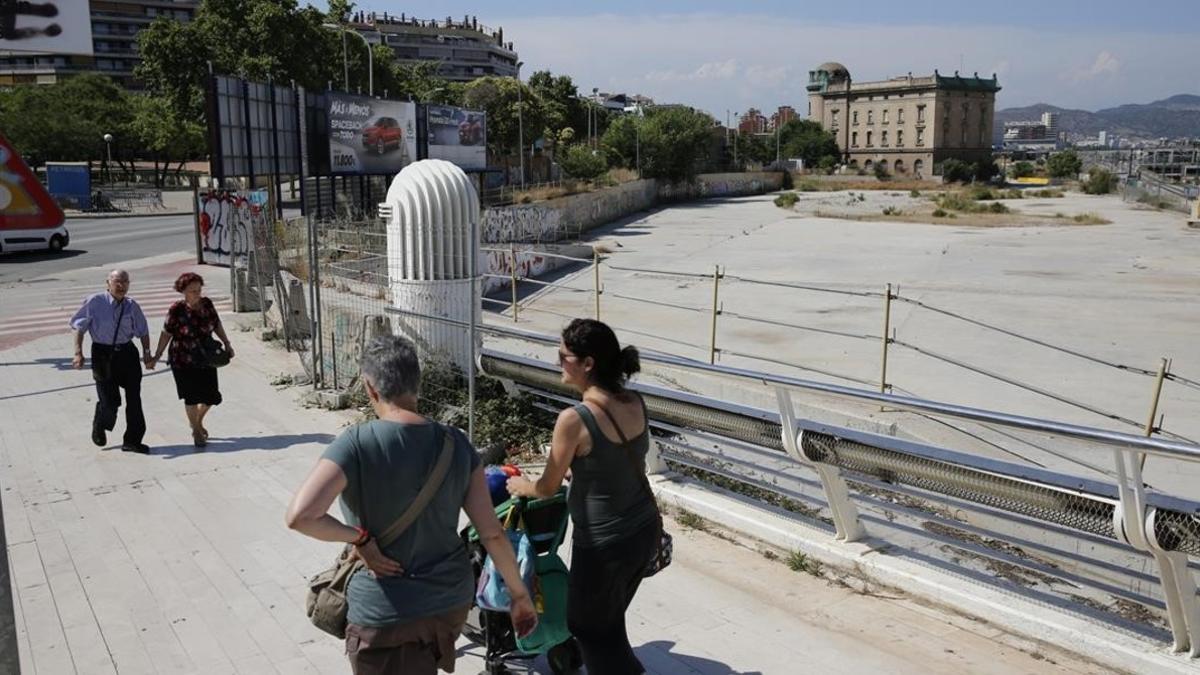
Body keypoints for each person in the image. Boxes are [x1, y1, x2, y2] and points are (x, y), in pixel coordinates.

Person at [285, 336, 537, 674]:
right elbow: (492, 533)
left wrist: (359, 538)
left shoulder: (355, 443)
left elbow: (301, 516)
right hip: (448, 602)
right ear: (417, 382)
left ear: (369, 387)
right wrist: (520, 597)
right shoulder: (457, 443)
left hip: (384, 611)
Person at [506, 318, 660, 674]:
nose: (557, 362)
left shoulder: (574, 420)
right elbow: (620, 456)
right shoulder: (635, 401)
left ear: (587, 364)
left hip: (604, 543)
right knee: (608, 620)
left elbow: (546, 487)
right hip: (642, 532)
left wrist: (522, 486)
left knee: (587, 627)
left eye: (563, 356)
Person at [70, 269, 153, 454]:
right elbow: (79, 327)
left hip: (127, 354)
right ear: (107, 283)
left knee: (134, 399)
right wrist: (78, 353)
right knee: (110, 401)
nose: (121, 285)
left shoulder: (132, 305)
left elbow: (143, 331)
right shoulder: (94, 301)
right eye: (117, 281)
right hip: (102, 355)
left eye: (125, 281)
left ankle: (132, 440)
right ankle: (100, 423)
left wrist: (147, 353)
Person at [148, 272, 233, 448]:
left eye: (199, 289)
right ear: (183, 291)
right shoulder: (176, 309)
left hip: (205, 356)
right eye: (193, 290)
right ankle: (196, 432)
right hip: (182, 358)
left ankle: (198, 421)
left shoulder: (207, 304)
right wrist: (157, 355)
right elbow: (166, 333)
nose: (197, 293)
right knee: (191, 397)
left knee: (211, 396)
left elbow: (216, 324)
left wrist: (227, 343)